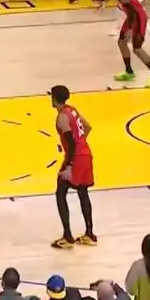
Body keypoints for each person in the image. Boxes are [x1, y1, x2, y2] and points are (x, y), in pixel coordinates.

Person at [49, 85, 97, 249]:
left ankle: (68, 237)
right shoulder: (72, 110)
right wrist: (81, 141)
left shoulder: (62, 117)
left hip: (75, 158)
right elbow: (87, 127)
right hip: (86, 154)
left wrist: (69, 165)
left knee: (60, 192)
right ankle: (89, 234)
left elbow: (70, 143)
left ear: (54, 98)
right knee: (83, 192)